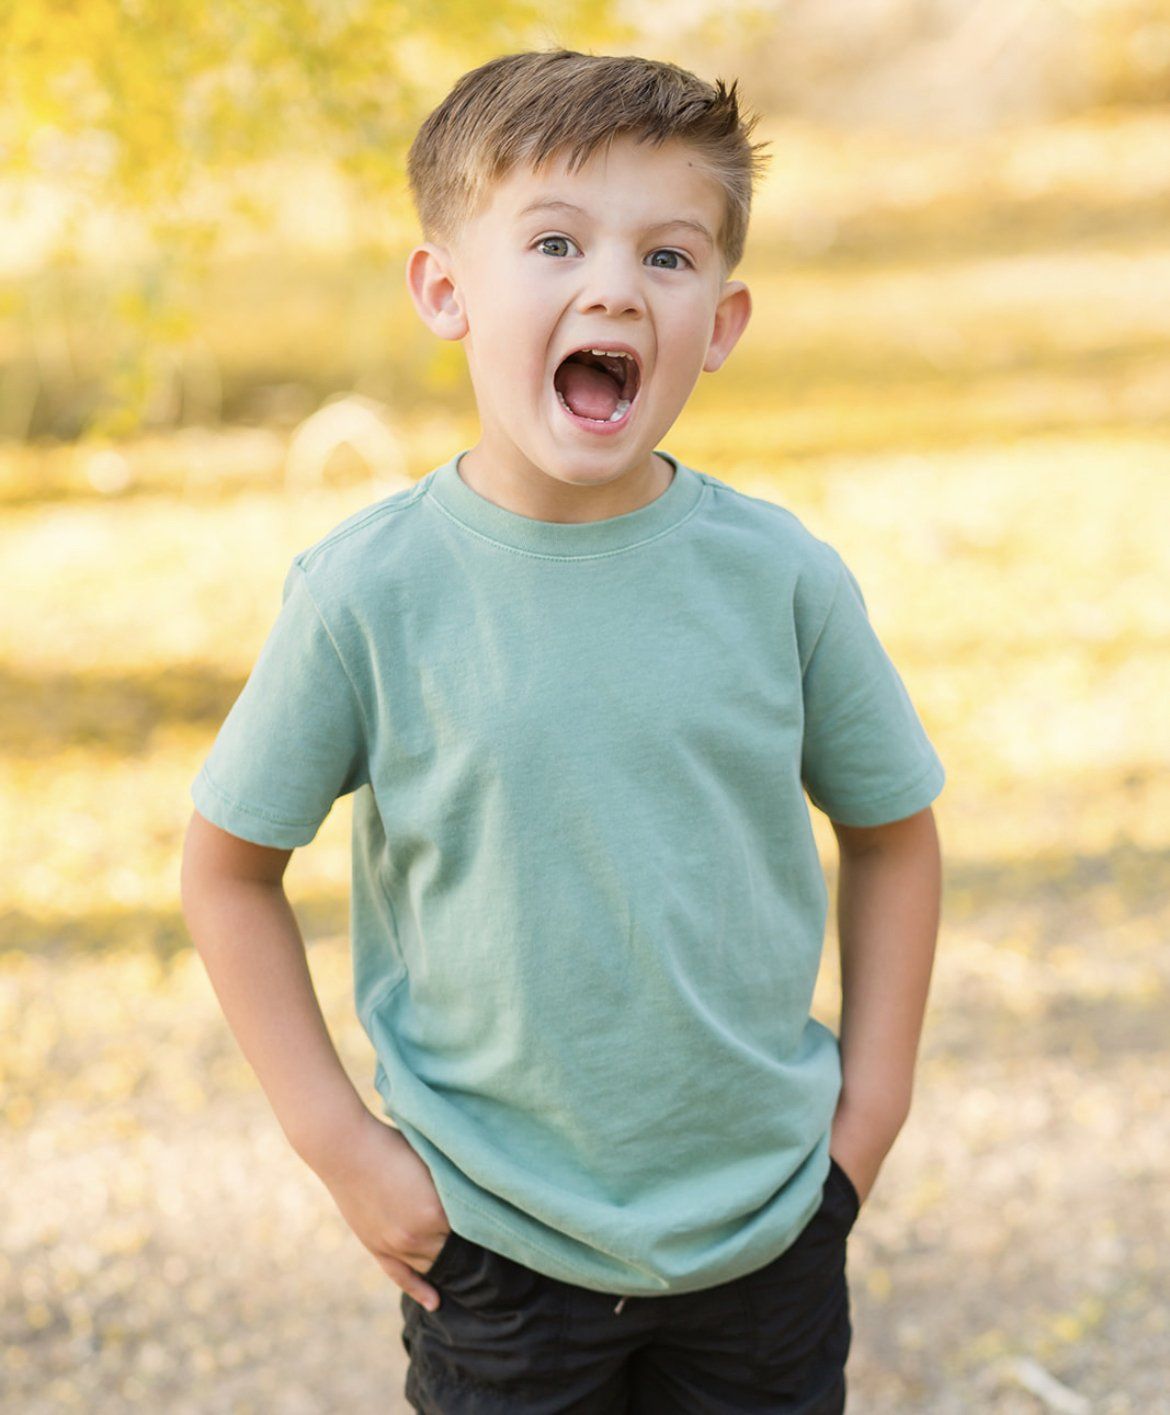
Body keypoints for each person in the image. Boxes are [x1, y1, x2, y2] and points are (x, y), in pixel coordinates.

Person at [180, 48, 945, 1414]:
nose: (610, 286)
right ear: (444, 292)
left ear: (720, 319)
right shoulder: (369, 593)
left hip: (766, 1225)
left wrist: (867, 1113)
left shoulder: (778, 580)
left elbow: (890, 833)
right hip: (495, 1243)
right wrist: (341, 1147)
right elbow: (226, 870)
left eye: (667, 256)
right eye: (552, 241)